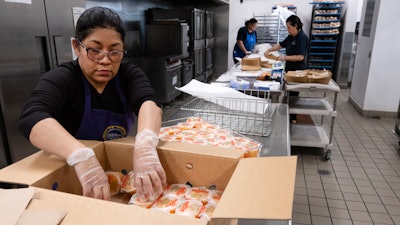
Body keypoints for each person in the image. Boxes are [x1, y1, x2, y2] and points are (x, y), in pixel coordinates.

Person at [17, 6, 166, 202]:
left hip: (113, 169)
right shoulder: (63, 78)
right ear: (76, 47)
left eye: (115, 52)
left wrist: (145, 144)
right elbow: (31, 117)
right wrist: (81, 156)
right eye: (95, 50)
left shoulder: (127, 74)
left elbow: (149, 102)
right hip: (72, 175)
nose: (105, 60)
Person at [264, 15, 308, 123]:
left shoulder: (302, 37)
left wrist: (284, 57)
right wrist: (269, 50)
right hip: (289, 68)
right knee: (288, 93)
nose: (288, 30)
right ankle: (286, 112)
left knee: (293, 94)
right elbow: (281, 45)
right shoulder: (291, 36)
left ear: (296, 26)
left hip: (297, 70)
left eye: (289, 27)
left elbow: (300, 57)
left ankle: (293, 117)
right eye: (287, 27)